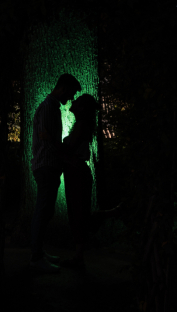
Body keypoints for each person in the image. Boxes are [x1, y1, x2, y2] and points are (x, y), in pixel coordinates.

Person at [47, 94, 124, 271]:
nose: (73, 102)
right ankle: (79, 255)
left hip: (77, 174)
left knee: (79, 215)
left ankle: (79, 256)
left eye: (78, 101)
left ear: (82, 108)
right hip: (75, 172)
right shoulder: (80, 125)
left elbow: (68, 147)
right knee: (78, 214)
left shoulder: (82, 126)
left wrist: (49, 139)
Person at [29, 73, 81, 274]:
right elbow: (47, 142)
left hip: (46, 165)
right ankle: (36, 257)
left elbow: (47, 139)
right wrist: (65, 158)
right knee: (43, 211)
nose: (71, 98)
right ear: (62, 88)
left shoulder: (49, 107)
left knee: (44, 211)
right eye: (71, 93)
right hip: (46, 166)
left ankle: (39, 253)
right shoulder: (49, 108)